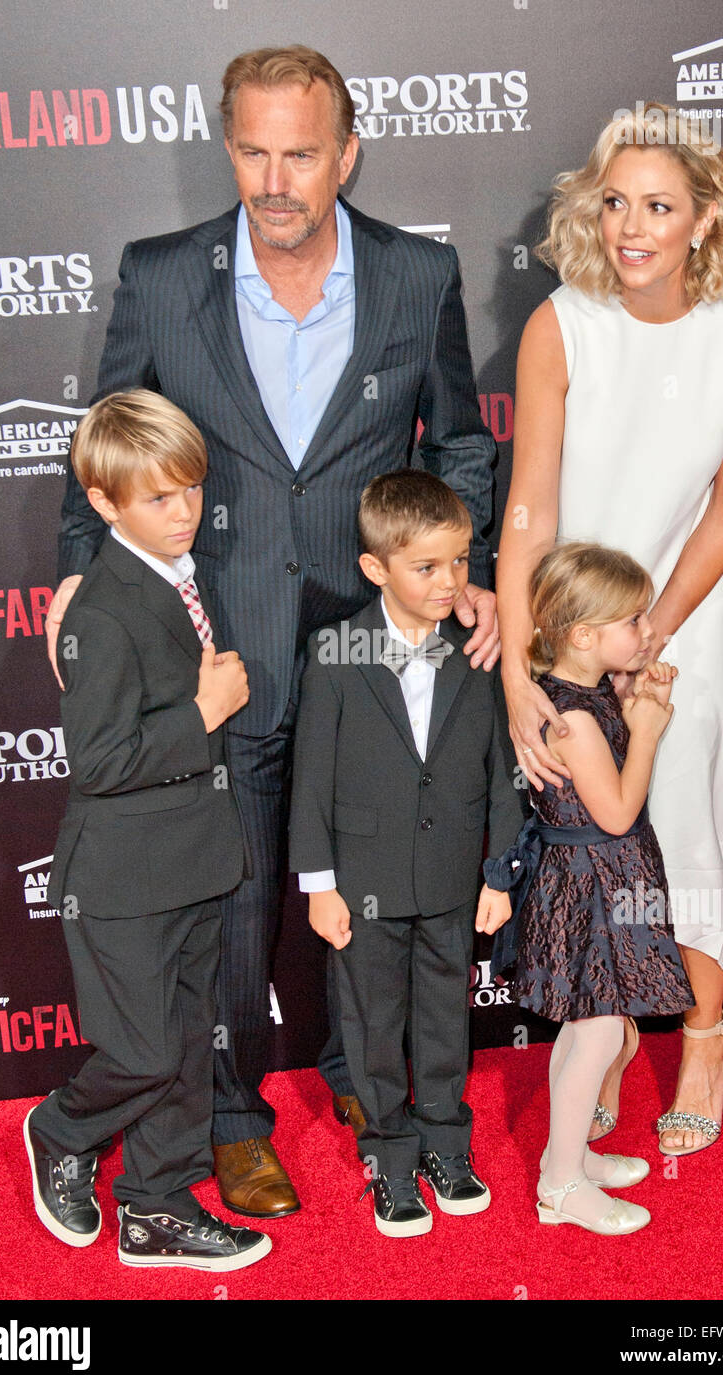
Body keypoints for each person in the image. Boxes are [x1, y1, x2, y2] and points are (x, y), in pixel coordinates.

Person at [48, 45, 498, 1217]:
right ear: (229, 147)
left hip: (371, 649)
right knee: (232, 905)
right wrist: (74, 573)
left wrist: (470, 571)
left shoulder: (413, 273)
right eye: (252, 150)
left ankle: (366, 1080)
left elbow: (455, 441)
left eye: (300, 152)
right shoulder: (159, 276)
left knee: (384, 879)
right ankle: (235, 1118)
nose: (275, 177)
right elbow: (105, 435)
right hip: (222, 646)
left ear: (345, 153)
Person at [496, 103, 723, 1156]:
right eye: (614, 201)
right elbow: (526, 506)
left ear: (702, 218)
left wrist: (650, 632)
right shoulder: (559, 323)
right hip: (566, 641)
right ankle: (609, 1032)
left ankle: (704, 1033)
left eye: (657, 206)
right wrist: (522, 676)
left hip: (678, 625)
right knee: (595, 847)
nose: (630, 226)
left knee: (686, 831)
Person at [25, 390, 271, 1272]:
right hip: (122, 879)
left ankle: (157, 1205)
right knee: (139, 1050)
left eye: (192, 492)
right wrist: (205, 712)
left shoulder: (183, 575)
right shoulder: (99, 608)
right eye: (158, 499)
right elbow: (95, 761)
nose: (183, 514)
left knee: (187, 1045)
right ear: (104, 503)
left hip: (196, 860)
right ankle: (61, 1130)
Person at [289, 471, 519, 1236]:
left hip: (455, 879)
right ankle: (389, 1157)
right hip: (363, 885)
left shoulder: (479, 647)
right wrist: (320, 886)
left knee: (445, 1021)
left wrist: (499, 869)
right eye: (427, 566)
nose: (450, 581)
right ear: (375, 567)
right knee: (371, 1023)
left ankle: (448, 1146)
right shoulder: (335, 650)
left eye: (459, 561)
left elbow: (502, 769)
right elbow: (310, 777)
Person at [483, 542, 694, 1234]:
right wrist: (651, 731)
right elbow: (617, 813)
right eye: (632, 620)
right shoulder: (571, 719)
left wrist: (634, 702)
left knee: (584, 1030)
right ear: (582, 635)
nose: (646, 630)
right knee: (599, 1034)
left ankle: (563, 1156)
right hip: (591, 885)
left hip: (594, 880)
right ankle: (562, 1187)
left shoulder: (583, 693)